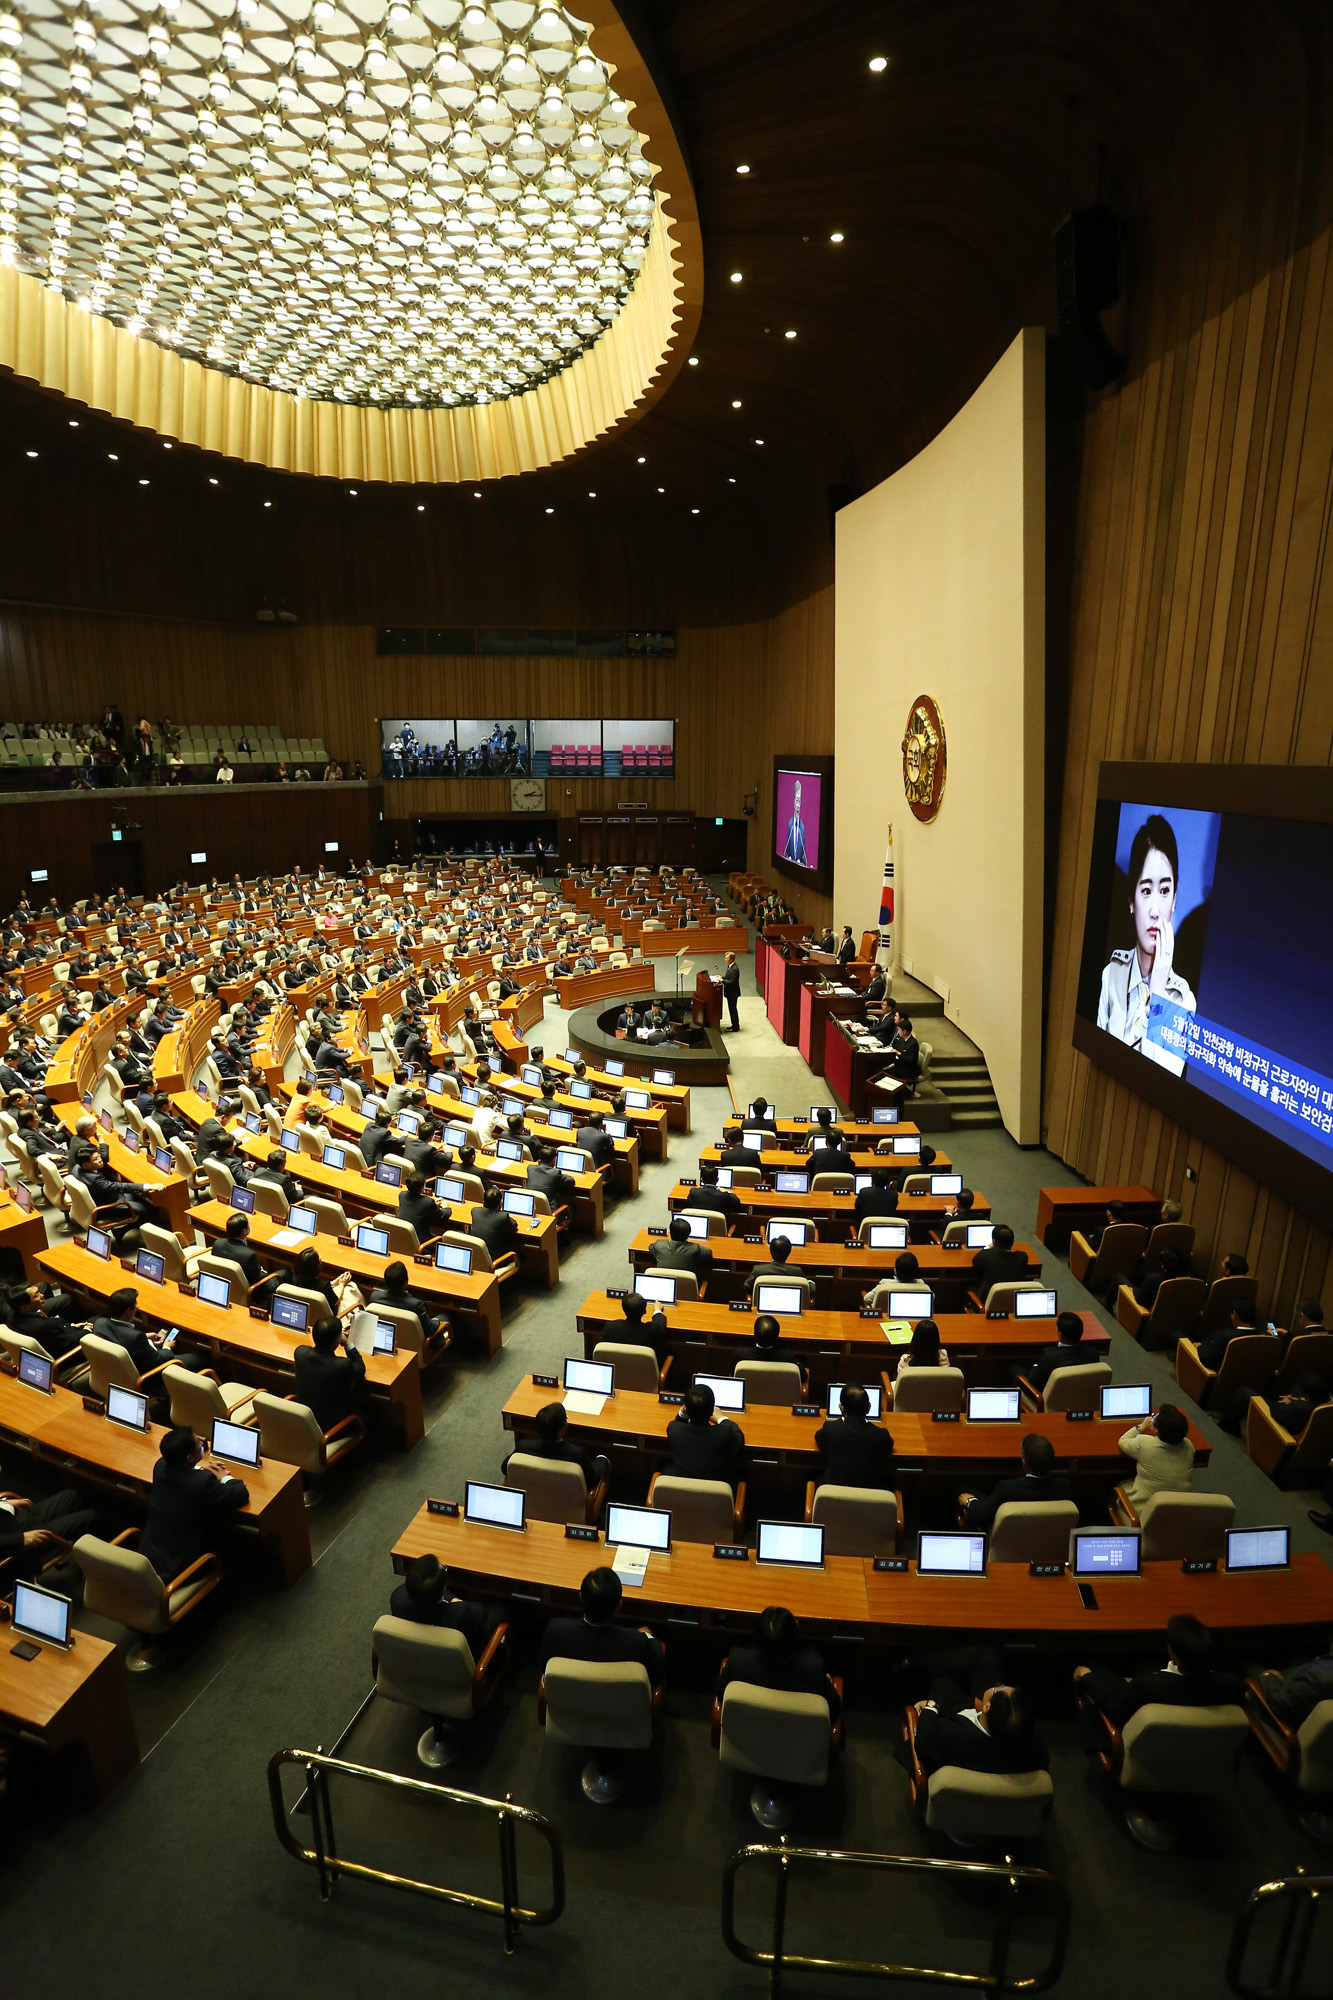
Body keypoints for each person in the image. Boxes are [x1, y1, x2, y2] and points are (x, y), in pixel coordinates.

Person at [1096, 812, 1198, 1076]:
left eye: (1164, 891)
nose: (1154, 910)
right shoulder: (1111, 975)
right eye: (1145, 890)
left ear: (1174, 900)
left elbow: (1156, 1082)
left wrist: (1159, 995)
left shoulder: (1184, 1002)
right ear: (1131, 901)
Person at [1075, 1614, 1242, 1728]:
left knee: (1093, 1666)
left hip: (1144, 1745)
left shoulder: (1146, 1687)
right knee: (1147, 1662)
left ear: (1175, 1659)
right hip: (1203, 1751)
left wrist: (1086, 1677)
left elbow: (1117, 1712)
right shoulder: (1231, 1685)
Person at [905, 1647, 1047, 1777]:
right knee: (986, 1657)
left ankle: (911, 1662)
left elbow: (923, 1743)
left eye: (997, 1688)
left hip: (955, 1715)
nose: (999, 1685)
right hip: (981, 1719)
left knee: (944, 1680)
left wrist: (931, 1706)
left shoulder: (950, 1735)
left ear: (987, 1708)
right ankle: (915, 1662)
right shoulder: (1034, 1750)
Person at [138, 1424, 250, 1581]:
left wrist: (197, 1469)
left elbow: (183, 1476)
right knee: (237, 1553)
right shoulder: (201, 1483)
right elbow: (241, 1494)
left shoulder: (160, 1465)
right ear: (189, 1457)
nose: (202, 1443)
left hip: (148, 1558)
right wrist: (224, 1476)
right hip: (177, 1569)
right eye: (198, 1442)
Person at [541, 1567, 664, 1683]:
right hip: (618, 1699)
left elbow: (544, 1667)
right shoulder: (637, 1641)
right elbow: (656, 1673)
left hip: (569, 1697)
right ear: (619, 1607)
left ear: (581, 1598)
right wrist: (648, 1636)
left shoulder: (555, 1631)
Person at [716, 1605, 840, 1721]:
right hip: (798, 1735)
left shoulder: (737, 1662)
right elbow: (834, 1710)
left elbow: (721, 1693)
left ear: (756, 1641)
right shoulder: (813, 1670)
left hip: (749, 1733)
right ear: (794, 1644)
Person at [957, 1432, 1075, 1529]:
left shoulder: (1007, 1489)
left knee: (959, 1491)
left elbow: (981, 1516)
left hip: (1006, 1542)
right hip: (1049, 1543)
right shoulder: (1065, 1488)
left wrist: (969, 1501)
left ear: (1024, 1462)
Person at [389, 1553, 502, 1651]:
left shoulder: (397, 1599)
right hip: (461, 1662)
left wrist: (452, 1599)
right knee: (502, 1609)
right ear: (443, 1588)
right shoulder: (465, 1613)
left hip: (418, 1656)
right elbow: (482, 1616)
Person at [504, 1400, 608, 1493]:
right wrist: (602, 1458)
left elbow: (505, 1468)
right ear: (562, 1429)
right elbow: (591, 1481)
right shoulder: (577, 1454)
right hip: (568, 1501)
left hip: (532, 1498)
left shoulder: (523, 1447)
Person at [814, 1383, 897, 1489]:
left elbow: (819, 1439)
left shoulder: (830, 1429)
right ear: (869, 1408)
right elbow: (889, 1447)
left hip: (834, 1497)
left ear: (841, 1408)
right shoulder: (881, 1435)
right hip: (870, 1497)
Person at [293, 1314, 366, 1433]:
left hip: (304, 1421)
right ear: (337, 1339)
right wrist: (348, 1344)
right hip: (330, 1430)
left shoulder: (300, 1353)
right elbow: (360, 1369)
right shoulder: (342, 1365)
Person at [665, 1380, 744, 1488]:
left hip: (681, 1492)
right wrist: (721, 1418)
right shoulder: (724, 1433)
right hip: (715, 1493)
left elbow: (678, 1423)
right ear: (712, 1410)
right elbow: (739, 1437)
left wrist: (682, 1413)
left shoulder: (673, 1429)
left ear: (686, 1408)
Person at [0, 1485, 98, 1571]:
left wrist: (3, 1504)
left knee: (73, 1496)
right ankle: (96, 1574)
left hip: (14, 1517)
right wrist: (21, 1539)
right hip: (17, 1542)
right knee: (91, 1517)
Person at [1116, 1403, 1194, 1507]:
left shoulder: (1144, 1443)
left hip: (1145, 1511)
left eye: (1155, 1417)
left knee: (1120, 1484)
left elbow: (1123, 1441)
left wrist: (1141, 1427)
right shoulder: (1189, 1446)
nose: (1154, 1417)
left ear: (1156, 1429)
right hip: (1177, 1509)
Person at [1252, 1640, 1333, 1728]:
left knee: (1244, 1661)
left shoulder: (1318, 1678)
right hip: (1306, 1681)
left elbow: (1278, 1703)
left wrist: (1268, 1676)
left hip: (1280, 1712)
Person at [1014, 1310, 1087, 1394]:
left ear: (1060, 1335)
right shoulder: (1093, 1354)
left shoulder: (1050, 1357)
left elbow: (1031, 1383)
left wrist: (1035, 1366)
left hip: (1047, 1398)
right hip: (1082, 1397)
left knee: (1010, 1367)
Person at [970, 1224, 1029, 1299]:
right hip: (1013, 1300)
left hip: (990, 1300)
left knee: (970, 1287)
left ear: (994, 1242)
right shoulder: (1022, 1257)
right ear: (1012, 1242)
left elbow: (975, 1261)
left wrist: (987, 1247)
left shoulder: (986, 1256)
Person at [650, 1213, 714, 1283]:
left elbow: (651, 1247)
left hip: (662, 1283)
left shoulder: (659, 1245)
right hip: (685, 1287)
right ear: (688, 1235)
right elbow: (709, 1253)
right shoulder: (694, 1249)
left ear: (670, 1233)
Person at [469, 1184, 518, 1260]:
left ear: (483, 1203)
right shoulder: (503, 1217)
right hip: (495, 1261)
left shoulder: (475, 1211)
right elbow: (514, 1225)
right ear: (500, 1204)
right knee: (519, 1254)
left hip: (475, 1258)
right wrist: (501, 1212)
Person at [782, 779, 809, 866]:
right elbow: (785, 852)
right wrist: (788, 859)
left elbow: (804, 858)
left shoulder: (802, 828)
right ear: (793, 802)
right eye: (797, 800)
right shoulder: (790, 825)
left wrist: (801, 863)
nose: (798, 805)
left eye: (799, 801)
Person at [721, 951, 741, 1032]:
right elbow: (727, 978)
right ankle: (734, 1025)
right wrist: (721, 977)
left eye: (726, 958)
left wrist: (722, 980)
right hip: (730, 993)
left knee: (733, 1010)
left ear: (731, 959)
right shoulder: (730, 967)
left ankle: (735, 1027)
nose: (725, 959)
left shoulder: (735, 969)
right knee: (731, 1009)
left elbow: (732, 982)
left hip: (733, 993)